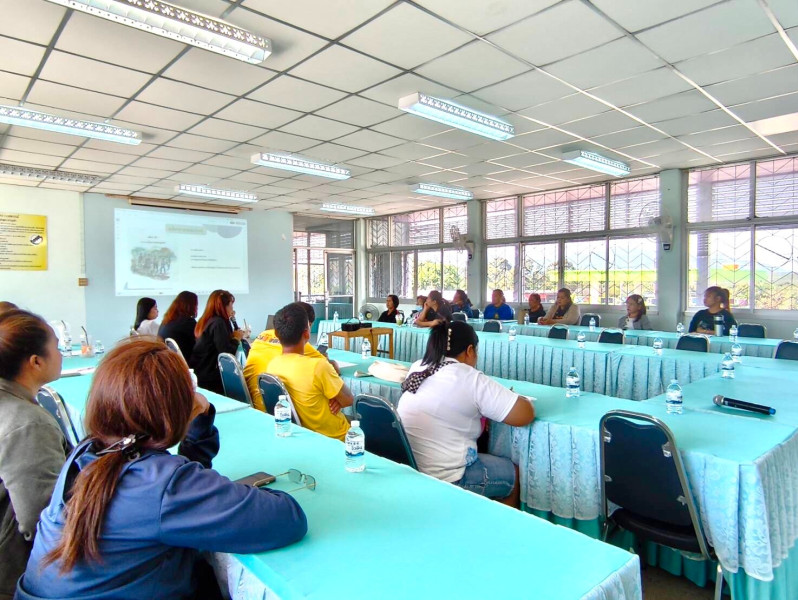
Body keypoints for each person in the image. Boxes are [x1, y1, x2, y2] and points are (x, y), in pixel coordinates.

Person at [16, 338, 307, 600]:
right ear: (176, 407)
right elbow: (286, 518)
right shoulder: (162, 485)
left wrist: (200, 423)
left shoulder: (89, 453)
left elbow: (179, 486)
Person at [397, 321, 535, 507]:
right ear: (470, 350)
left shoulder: (418, 366)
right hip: (447, 476)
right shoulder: (469, 377)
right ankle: (497, 525)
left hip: (410, 466)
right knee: (513, 474)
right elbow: (524, 415)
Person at [0, 310, 68, 599]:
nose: (62, 354)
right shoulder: (28, 424)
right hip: (15, 574)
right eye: (57, 347)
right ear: (36, 362)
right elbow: (43, 518)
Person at [266, 303, 353, 441]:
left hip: (302, 435)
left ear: (277, 334)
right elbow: (348, 399)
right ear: (306, 334)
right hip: (336, 438)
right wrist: (336, 398)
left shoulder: (272, 365)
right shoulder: (318, 367)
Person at [244, 302, 333, 413]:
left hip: (250, 401)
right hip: (276, 409)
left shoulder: (262, 335)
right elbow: (329, 367)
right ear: (307, 326)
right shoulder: (298, 344)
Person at [189, 290, 245, 394]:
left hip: (200, 370)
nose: (232, 309)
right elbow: (226, 353)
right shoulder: (218, 323)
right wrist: (236, 339)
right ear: (223, 307)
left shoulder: (208, 320)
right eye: (231, 306)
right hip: (209, 375)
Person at [157, 291, 199, 362]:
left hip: (169, 361)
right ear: (191, 306)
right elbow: (200, 343)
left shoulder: (165, 321)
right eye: (196, 305)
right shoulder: (188, 322)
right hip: (185, 362)